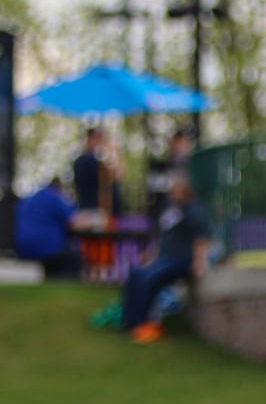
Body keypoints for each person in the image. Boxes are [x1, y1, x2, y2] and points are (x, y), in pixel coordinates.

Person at [118, 177, 210, 342]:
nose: (174, 194)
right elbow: (162, 236)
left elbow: (201, 238)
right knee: (136, 275)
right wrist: (151, 255)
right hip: (164, 257)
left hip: (181, 259)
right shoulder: (169, 210)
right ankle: (129, 321)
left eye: (178, 190)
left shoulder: (194, 211)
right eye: (173, 190)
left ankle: (142, 323)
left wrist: (198, 262)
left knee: (147, 279)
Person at [15, 179, 86, 280]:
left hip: (21, 248)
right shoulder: (54, 197)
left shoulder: (28, 199)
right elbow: (75, 223)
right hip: (47, 249)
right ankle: (62, 287)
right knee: (75, 259)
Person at [145, 130, 194, 232]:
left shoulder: (193, 164)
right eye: (176, 143)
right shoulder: (166, 164)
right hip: (170, 207)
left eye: (181, 143)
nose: (179, 147)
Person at [70, 127, 123, 217]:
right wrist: (114, 150)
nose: (99, 142)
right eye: (97, 138)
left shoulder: (89, 161)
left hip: (96, 212)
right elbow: (115, 175)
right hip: (95, 214)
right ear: (89, 139)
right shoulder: (86, 161)